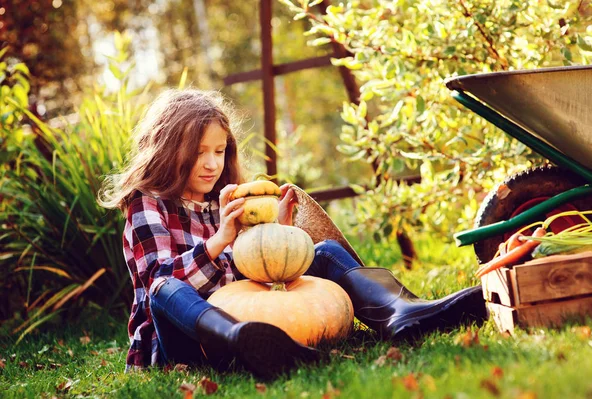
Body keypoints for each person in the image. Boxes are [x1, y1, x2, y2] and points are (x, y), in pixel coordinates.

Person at [98, 88, 486, 380]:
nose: (212, 163)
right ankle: (246, 344)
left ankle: (399, 313)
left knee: (325, 252)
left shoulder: (228, 198)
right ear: (169, 150)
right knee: (167, 288)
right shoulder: (146, 203)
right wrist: (219, 240)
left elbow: (254, 272)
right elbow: (156, 284)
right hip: (182, 343)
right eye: (200, 152)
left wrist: (278, 232)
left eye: (219, 151)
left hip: (245, 312)